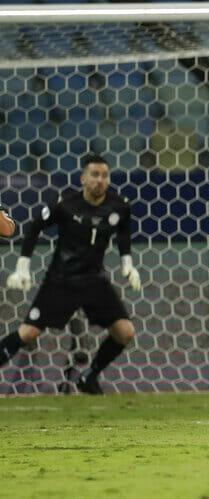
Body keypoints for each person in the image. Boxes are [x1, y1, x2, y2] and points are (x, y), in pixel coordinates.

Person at [1, 154, 139, 395]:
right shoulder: (66, 204)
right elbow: (35, 227)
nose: (100, 180)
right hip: (62, 280)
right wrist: (22, 266)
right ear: (83, 178)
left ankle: (90, 376)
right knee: (28, 333)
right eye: (95, 175)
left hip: (95, 280)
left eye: (105, 176)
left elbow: (123, 234)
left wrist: (128, 263)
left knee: (125, 332)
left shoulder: (120, 206)